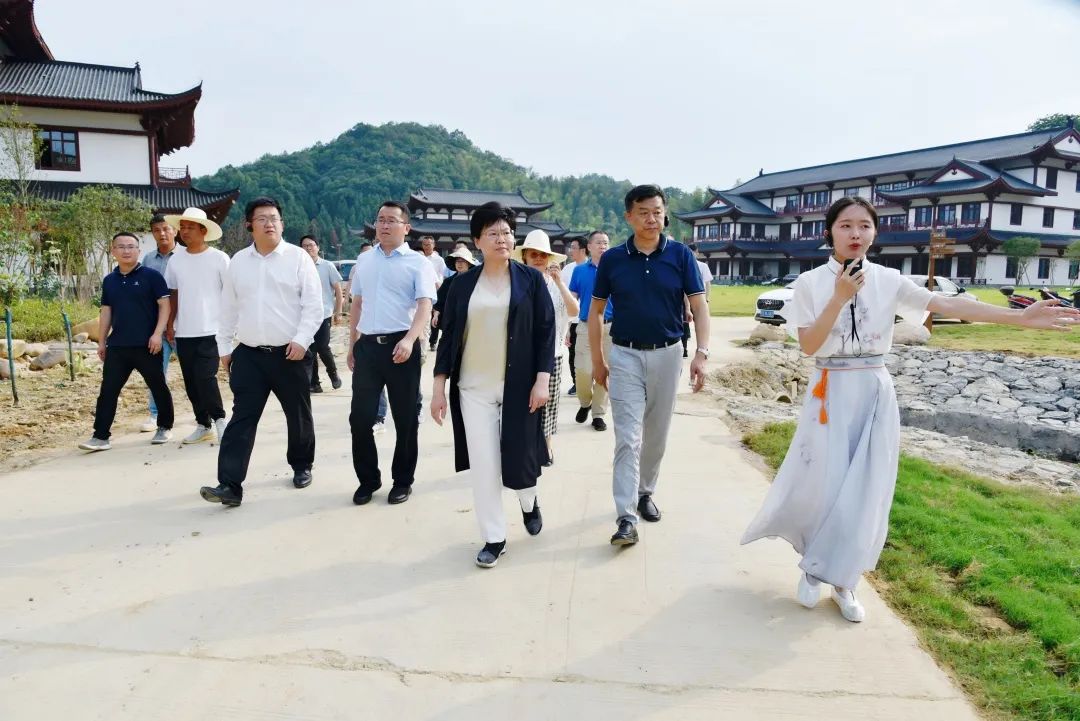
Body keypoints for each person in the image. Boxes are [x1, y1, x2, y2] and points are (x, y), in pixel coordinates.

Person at [740, 195, 1080, 623]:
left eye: (864, 225)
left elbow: (948, 305)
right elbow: (809, 344)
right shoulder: (809, 284)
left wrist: (1019, 318)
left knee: (866, 486)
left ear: (874, 232)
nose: (856, 233)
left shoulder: (889, 280)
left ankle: (844, 580)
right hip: (829, 392)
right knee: (823, 483)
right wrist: (839, 298)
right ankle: (813, 567)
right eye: (846, 225)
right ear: (829, 232)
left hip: (873, 389)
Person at [431, 202, 555, 568]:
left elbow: (546, 331)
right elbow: (449, 336)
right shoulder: (461, 285)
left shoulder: (531, 280)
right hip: (473, 388)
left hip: (520, 386)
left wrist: (542, 380)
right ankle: (494, 537)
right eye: (493, 233)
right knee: (485, 465)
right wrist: (439, 388)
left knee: (521, 458)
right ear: (477, 241)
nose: (502, 239)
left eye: (507, 233)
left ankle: (529, 500)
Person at [589, 184, 710, 546]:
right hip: (625, 354)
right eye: (643, 212)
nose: (652, 219)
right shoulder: (613, 259)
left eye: (657, 212)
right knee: (628, 438)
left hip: (668, 354)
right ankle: (626, 518)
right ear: (629, 216)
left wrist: (701, 353)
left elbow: (699, 305)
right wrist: (598, 361)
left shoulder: (680, 255)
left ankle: (645, 492)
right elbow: (596, 312)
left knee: (656, 434)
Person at [199, 197, 323, 507]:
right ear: (249, 225)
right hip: (250, 355)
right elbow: (228, 308)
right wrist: (225, 347)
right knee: (242, 418)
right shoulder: (239, 261)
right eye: (262, 219)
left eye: (274, 218)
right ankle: (230, 485)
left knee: (298, 414)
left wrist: (302, 340)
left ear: (282, 223)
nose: (270, 223)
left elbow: (313, 306)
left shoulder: (298, 258)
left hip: (290, 353)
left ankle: (301, 465)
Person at [347, 200, 436, 506]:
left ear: (405, 228)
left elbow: (425, 305)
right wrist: (352, 344)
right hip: (368, 348)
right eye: (380, 219)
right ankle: (368, 480)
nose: (384, 225)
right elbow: (357, 304)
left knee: (405, 418)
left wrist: (410, 340)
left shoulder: (418, 263)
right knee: (360, 418)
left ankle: (402, 480)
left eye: (391, 220)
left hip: (402, 346)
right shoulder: (365, 261)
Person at [79, 233, 174, 450]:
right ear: (113, 251)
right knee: (108, 391)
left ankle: (164, 426)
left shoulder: (151, 276)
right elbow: (106, 312)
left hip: (147, 345)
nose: (126, 250)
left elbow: (165, 306)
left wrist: (157, 334)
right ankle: (100, 436)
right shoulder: (109, 280)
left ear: (138, 251)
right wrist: (102, 341)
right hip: (118, 346)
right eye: (121, 247)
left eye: (131, 246)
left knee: (158, 386)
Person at [163, 207, 230, 444]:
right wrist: (170, 325)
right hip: (184, 331)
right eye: (182, 227)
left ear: (203, 231)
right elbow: (173, 294)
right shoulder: (176, 260)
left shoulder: (219, 258)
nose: (185, 231)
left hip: (212, 329)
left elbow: (231, 294)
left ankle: (220, 420)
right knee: (191, 381)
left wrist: (231, 326)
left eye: (190, 227)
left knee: (205, 377)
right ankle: (203, 424)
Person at [514, 230, 578, 466]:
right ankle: (524, 447)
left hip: (552, 355)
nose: (538, 259)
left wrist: (559, 282)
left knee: (548, 404)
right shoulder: (516, 284)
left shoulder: (556, 286)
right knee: (522, 403)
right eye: (534, 254)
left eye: (543, 255)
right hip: (521, 355)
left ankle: (547, 445)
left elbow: (574, 312)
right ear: (525, 257)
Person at [138, 214, 182, 433]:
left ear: (175, 231)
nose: (162, 233)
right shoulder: (148, 260)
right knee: (156, 373)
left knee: (195, 373)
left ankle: (205, 416)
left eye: (166, 229)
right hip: (157, 327)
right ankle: (155, 414)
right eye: (157, 230)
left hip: (184, 325)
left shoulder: (185, 256)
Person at [568, 230, 614, 430]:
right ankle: (585, 402)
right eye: (599, 242)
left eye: (606, 243)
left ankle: (598, 414)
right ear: (589, 247)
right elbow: (572, 301)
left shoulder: (615, 270)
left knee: (605, 370)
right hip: (585, 326)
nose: (603, 246)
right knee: (583, 370)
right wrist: (568, 328)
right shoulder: (579, 271)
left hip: (610, 327)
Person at [299, 234, 344, 393]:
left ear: (318, 247)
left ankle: (333, 374)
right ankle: (314, 383)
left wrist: (338, 312)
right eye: (305, 246)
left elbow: (338, 290)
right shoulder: (299, 267)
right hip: (305, 315)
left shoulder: (327, 266)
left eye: (311, 245)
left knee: (322, 346)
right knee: (310, 349)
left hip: (324, 314)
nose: (308, 248)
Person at [560, 236, 588, 396]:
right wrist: (567, 324)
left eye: (574, 247)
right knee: (573, 354)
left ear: (583, 250)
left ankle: (589, 383)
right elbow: (563, 296)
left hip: (589, 319)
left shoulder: (593, 268)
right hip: (573, 319)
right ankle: (576, 383)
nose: (571, 251)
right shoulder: (567, 269)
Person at [681, 244, 715, 357]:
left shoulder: (702, 266)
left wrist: (707, 299)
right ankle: (685, 348)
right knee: (684, 324)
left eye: (693, 252)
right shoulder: (683, 264)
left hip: (699, 298)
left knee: (700, 323)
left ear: (697, 253)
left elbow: (707, 283)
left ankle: (702, 349)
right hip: (685, 299)